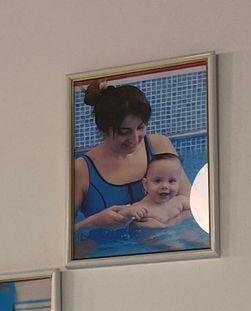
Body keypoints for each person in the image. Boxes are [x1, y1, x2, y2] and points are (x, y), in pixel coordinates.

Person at [73, 81, 176, 233]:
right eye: (124, 132)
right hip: (107, 246)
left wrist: (164, 224)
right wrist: (94, 223)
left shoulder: (159, 146)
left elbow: (192, 205)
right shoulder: (83, 169)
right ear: (103, 130)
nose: (135, 139)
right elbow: (60, 233)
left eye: (140, 127)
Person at [133, 151, 192, 226]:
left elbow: (199, 207)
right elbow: (124, 217)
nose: (164, 186)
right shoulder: (141, 209)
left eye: (171, 181)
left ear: (179, 184)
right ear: (146, 184)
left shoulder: (179, 202)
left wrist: (174, 221)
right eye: (157, 181)